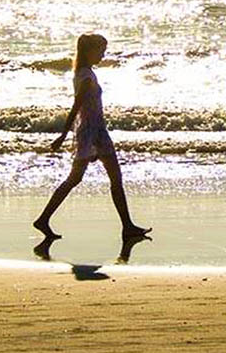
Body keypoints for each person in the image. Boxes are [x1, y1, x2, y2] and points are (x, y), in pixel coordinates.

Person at [34, 33, 150, 240]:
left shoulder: (82, 72)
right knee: (83, 178)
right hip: (92, 133)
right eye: (100, 51)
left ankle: (127, 226)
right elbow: (76, 107)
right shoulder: (86, 77)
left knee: (103, 178)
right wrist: (62, 136)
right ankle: (43, 219)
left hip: (95, 131)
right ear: (89, 51)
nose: (103, 55)